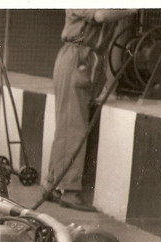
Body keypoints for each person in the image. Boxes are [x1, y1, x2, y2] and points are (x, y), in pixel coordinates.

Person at [44, 9, 137, 211]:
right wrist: (130, 9)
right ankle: (69, 190)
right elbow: (101, 16)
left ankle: (53, 183)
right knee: (73, 125)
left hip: (91, 58)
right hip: (76, 56)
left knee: (68, 124)